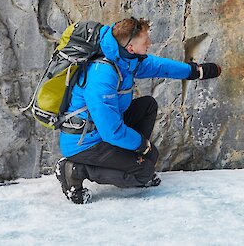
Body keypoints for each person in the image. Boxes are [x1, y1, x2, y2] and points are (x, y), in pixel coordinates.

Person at [55, 17, 221, 203]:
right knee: (145, 171)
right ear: (131, 47)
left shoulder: (124, 58)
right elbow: (112, 132)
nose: (149, 42)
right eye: (145, 40)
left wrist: (195, 72)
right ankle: (75, 170)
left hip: (102, 130)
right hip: (85, 142)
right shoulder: (102, 76)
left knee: (147, 106)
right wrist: (144, 146)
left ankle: (130, 161)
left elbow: (158, 66)